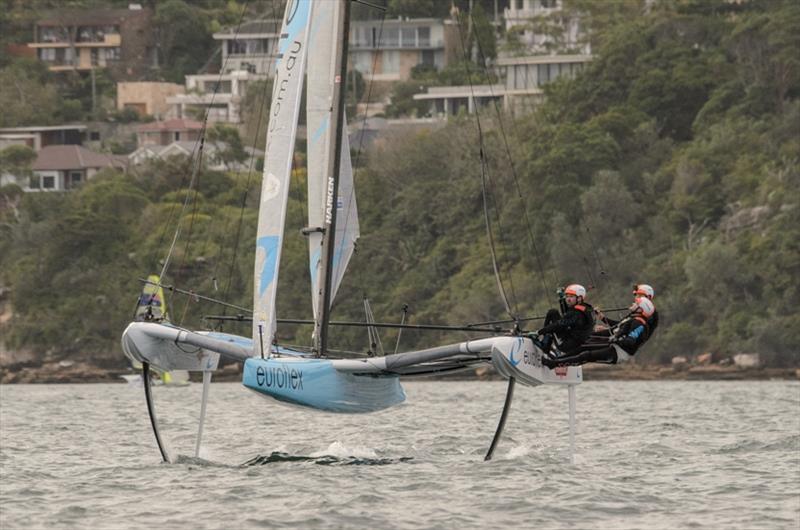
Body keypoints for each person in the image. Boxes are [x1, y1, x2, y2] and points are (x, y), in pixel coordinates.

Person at [543, 296, 654, 368]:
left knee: (586, 355)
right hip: (614, 345)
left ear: (640, 309)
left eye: (636, 304)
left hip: (618, 353)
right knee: (583, 346)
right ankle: (558, 359)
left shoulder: (640, 325)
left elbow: (631, 340)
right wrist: (603, 318)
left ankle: (553, 364)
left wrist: (617, 339)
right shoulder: (632, 318)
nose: (633, 304)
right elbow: (616, 327)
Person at [535, 284, 595, 356]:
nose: (568, 299)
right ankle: (545, 342)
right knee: (553, 312)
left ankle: (545, 346)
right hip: (576, 340)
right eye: (567, 296)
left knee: (553, 325)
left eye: (571, 297)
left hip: (567, 345)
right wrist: (562, 299)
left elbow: (559, 324)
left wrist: (539, 332)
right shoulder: (585, 308)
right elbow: (567, 314)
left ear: (579, 298)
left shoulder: (577, 313)